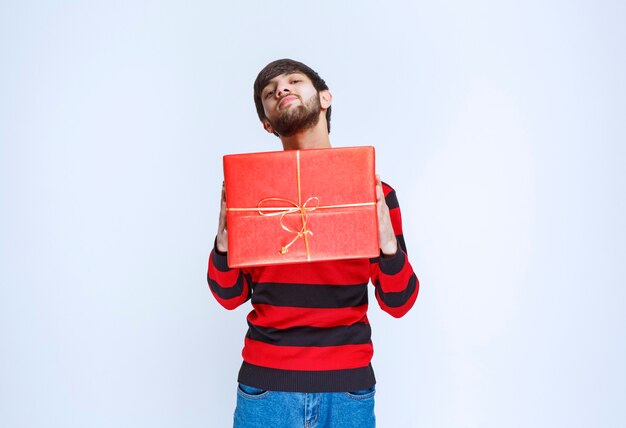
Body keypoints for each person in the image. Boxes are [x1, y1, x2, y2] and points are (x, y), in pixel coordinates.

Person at [207, 58, 419, 428]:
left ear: (325, 98)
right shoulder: (251, 195)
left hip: (348, 390)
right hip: (266, 388)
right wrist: (223, 248)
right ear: (267, 123)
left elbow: (399, 303)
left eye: (293, 81)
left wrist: (389, 250)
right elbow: (229, 297)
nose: (281, 90)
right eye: (269, 93)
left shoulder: (373, 193)